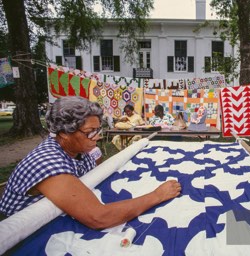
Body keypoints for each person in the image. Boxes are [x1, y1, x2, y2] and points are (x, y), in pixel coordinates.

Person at [0, 96, 181, 229]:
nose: (98, 136)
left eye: (98, 129)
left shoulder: (79, 149)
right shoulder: (47, 164)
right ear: (64, 132)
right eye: (90, 131)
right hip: (26, 236)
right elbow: (98, 217)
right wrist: (157, 195)